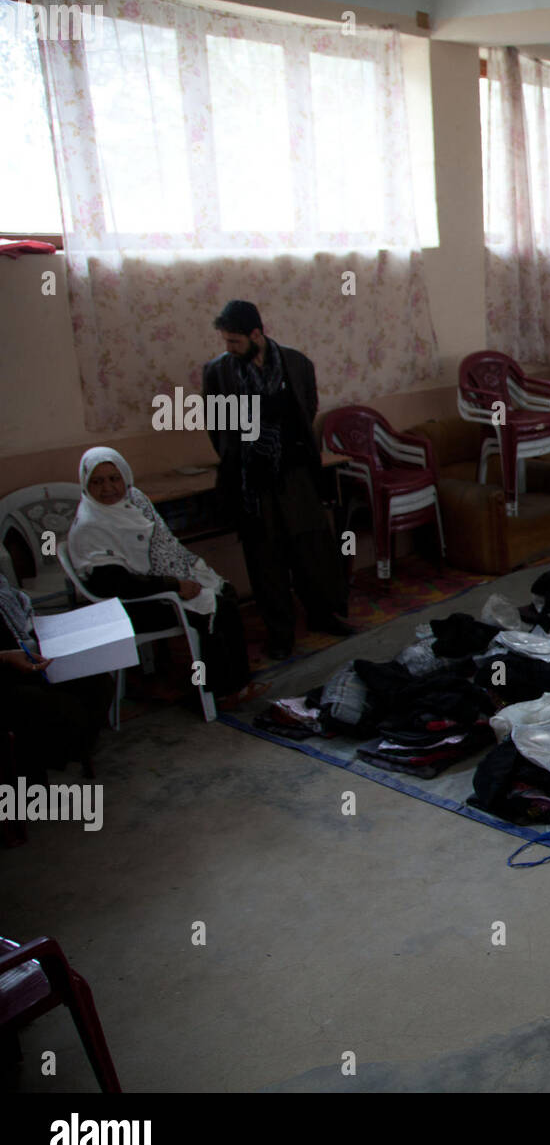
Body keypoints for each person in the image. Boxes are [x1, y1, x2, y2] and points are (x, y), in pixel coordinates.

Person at [204, 300, 351, 660]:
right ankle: (280, 632)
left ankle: (321, 615)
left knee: (310, 550)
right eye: (226, 341)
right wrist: (244, 457)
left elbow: (308, 408)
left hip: (295, 472)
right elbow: (218, 427)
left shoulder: (296, 363)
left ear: (257, 334)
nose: (229, 348)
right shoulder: (219, 372)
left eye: (235, 341)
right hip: (252, 480)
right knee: (265, 559)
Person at [66, 447, 263, 709]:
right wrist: (175, 585)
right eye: (97, 481)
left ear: (125, 476)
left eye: (114, 478)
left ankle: (237, 681)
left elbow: (164, 544)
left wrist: (185, 573)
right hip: (129, 606)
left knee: (225, 591)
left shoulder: (133, 500)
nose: (108, 488)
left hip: (151, 587)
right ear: (85, 484)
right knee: (216, 607)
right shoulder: (92, 525)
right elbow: (117, 584)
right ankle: (220, 691)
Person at [0, 573, 113, 794]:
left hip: (24, 656)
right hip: (6, 674)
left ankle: (65, 753)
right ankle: (28, 784)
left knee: (97, 682)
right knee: (53, 707)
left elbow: (21, 619)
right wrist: (4, 656)